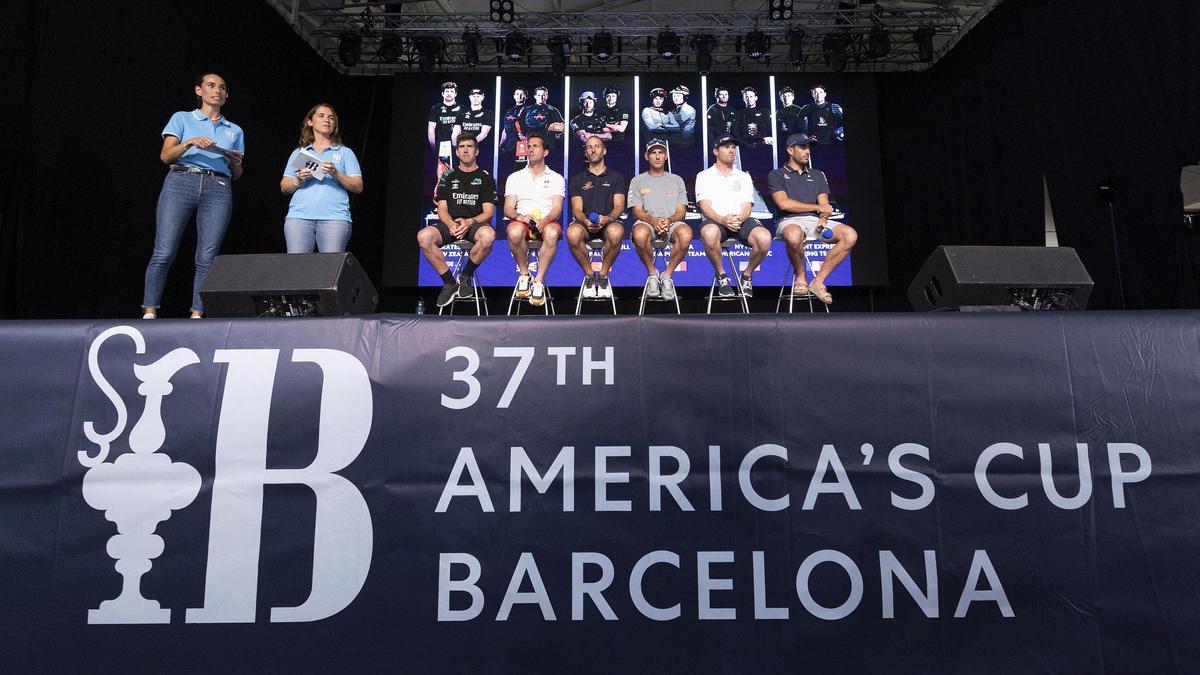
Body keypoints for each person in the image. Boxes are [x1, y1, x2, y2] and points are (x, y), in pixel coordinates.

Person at [142, 72, 244, 319]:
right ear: (199, 90)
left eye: (222, 87)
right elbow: (166, 156)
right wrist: (190, 143)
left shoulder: (235, 130)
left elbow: (238, 174)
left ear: (227, 95)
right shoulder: (183, 118)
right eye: (211, 85)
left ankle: (197, 313)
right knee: (164, 251)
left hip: (217, 186)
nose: (217, 90)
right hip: (181, 180)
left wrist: (235, 162)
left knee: (208, 255)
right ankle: (150, 309)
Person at [768, 134, 857, 304]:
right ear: (790, 150)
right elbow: (784, 204)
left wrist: (823, 218)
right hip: (788, 221)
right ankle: (800, 276)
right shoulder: (777, 174)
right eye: (802, 147)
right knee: (794, 235)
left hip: (815, 222)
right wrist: (818, 209)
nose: (807, 151)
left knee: (850, 235)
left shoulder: (817, 174)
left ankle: (818, 281)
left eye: (808, 147)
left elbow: (824, 204)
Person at [419, 132, 497, 307]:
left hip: (474, 225)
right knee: (424, 237)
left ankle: (466, 276)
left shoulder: (485, 177)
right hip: (451, 224)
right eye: (461, 147)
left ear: (476, 151)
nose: (465, 150)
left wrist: (469, 222)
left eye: (469, 146)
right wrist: (451, 224)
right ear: (456, 152)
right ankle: (449, 282)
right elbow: (442, 209)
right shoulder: (448, 176)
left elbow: (488, 212)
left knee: (488, 236)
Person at [279, 103, 364, 254]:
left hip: (335, 219)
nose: (327, 120)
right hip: (299, 217)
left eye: (332, 118)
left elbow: (358, 186)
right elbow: (284, 187)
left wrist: (336, 173)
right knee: (297, 268)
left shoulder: (345, 152)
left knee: (329, 270)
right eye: (321, 116)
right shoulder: (300, 153)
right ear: (310, 122)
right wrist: (297, 180)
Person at [696, 134, 771, 298]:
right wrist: (723, 220)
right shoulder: (704, 175)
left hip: (740, 220)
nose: (731, 150)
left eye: (733, 147)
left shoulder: (743, 176)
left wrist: (738, 219)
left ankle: (747, 275)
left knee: (764, 238)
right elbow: (705, 206)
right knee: (708, 233)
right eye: (726, 147)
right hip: (716, 220)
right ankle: (722, 276)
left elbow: (747, 206)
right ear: (715, 151)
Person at [504, 132, 565, 307]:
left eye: (535, 146)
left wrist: (544, 220)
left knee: (553, 232)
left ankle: (538, 281)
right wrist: (520, 216)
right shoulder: (515, 177)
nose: (530, 149)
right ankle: (524, 275)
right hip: (522, 220)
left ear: (545, 152)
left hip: (547, 221)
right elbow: (508, 208)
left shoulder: (556, 178)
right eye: (528, 146)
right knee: (514, 231)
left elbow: (557, 208)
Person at [628, 138, 692, 302]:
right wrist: (654, 221)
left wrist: (668, 221)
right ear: (646, 156)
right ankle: (653, 274)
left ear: (666, 156)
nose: (657, 156)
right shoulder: (637, 180)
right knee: (640, 234)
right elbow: (637, 211)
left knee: (685, 233)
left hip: (672, 223)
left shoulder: (677, 180)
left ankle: (667, 275)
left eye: (661, 153)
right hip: (647, 223)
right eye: (653, 153)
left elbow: (681, 211)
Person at [566, 137, 627, 299]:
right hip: (585, 224)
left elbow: (619, 207)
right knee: (572, 233)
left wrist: (607, 219)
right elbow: (577, 209)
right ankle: (589, 275)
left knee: (616, 233)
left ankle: (603, 276)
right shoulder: (578, 179)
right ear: (586, 152)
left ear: (604, 150)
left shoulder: (616, 177)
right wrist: (586, 221)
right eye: (589, 147)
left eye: (597, 147)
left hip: (608, 222)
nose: (593, 150)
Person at [427, 81, 463, 152]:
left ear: (455, 94)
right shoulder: (436, 108)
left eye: (451, 91)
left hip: (459, 146)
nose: (449, 94)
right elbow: (431, 128)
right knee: (444, 163)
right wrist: (434, 146)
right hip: (442, 146)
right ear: (442, 94)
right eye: (447, 91)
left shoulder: (462, 109)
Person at [499, 86, 528, 160]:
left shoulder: (529, 110)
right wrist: (500, 144)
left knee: (520, 166)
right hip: (509, 144)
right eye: (517, 94)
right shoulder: (509, 111)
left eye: (522, 94)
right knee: (507, 167)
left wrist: (528, 139)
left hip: (522, 144)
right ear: (514, 96)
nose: (519, 96)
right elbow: (505, 129)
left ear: (526, 96)